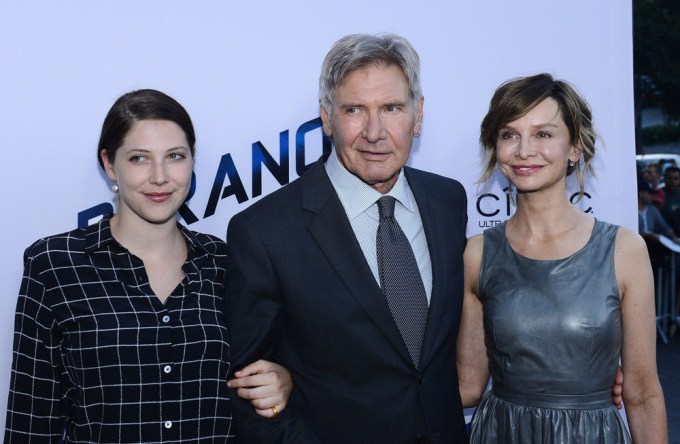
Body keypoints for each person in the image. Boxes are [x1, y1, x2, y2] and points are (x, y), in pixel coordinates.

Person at [4, 89, 291, 443]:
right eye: (139, 158)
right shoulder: (54, 264)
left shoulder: (228, 263)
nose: (160, 177)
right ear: (109, 164)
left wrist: (284, 379)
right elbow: (31, 421)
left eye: (174, 156)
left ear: (191, 160)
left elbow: (275, 370)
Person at [226, 33, 468, 443]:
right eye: (354, 110)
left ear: (418, 114)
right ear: (326, 117)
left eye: (391, 108)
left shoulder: (447, 200)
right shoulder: (265, 230)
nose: (375, 132)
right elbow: (250, 389)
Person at [457, 73, 667, 443]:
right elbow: (468, 385)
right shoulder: (478, 252)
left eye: (543, 134)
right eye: (509, 134)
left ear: (575, 148)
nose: (524, 150)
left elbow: (643, 392)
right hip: (502, 433)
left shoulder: (624, 250)